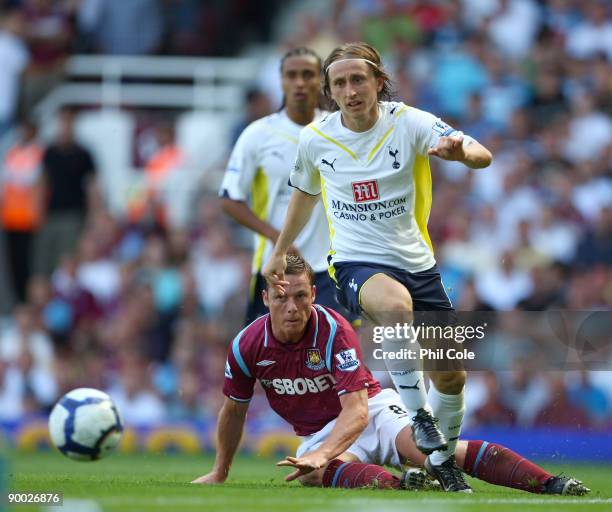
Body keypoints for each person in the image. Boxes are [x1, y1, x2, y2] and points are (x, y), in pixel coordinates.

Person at [263, 42, 493, 491]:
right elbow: (305, 194)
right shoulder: (317, 139)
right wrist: (280, 248)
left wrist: (461, 153)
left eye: (358, 80)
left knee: (451, 374)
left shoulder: (409, 122)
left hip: (418, 264)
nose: (350, 90)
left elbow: (481, 153)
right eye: (340, 83)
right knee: (393, 306)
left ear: (378, 83)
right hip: (354, 263)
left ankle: (442, 460)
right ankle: (418, 418)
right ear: (330, 92)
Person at [191, 254, 588, 497]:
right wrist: (220, 471)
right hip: (322, 433)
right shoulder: (247, 345)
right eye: (281, 297)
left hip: (373, 411)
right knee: (312, 476)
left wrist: (324, 452)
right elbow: (234, 411)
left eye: (301, 296)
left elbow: (357, 411)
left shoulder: (333, 330)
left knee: (435, 455)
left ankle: (551, 483)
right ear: (266, 298)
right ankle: (407, 485)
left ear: (313, 294)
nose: (292, 307)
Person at [219, 47, 351, 325]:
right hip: (275, 269)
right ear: (281, 81)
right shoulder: (258, 134)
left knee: (333, 361)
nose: (300, 83)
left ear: (321, 81)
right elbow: (229, 198)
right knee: (274, 363)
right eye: (292, 75)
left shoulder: (339, 131)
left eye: (308, 74)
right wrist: (277, 238)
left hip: (330, 269)